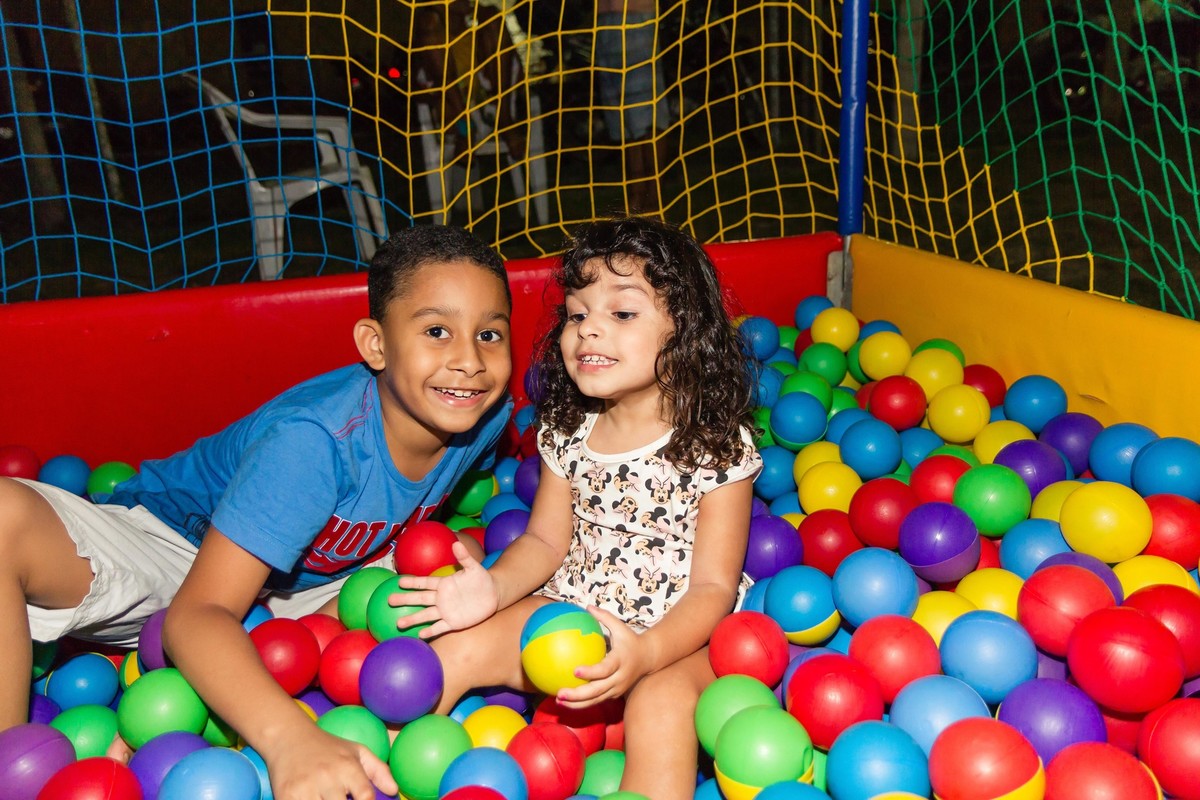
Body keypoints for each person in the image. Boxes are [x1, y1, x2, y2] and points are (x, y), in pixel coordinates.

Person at [0, 224, 515, 800]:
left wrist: (451, 547)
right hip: (175, 552)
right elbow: (195, 615)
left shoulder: (484, 414)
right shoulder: (313, 444)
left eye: (491, 334)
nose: (469, 360)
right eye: (438, 331)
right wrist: (289, 738)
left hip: (311, 590)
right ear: (375, 344)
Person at [397, 215, 762, 800]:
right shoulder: (568, 432)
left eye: (621, 313)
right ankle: (393, 770)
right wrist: (490, 589)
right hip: (572, 611)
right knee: (455, 649)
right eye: (576, 314)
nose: (589, 330)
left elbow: (713, 590)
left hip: (677, 635)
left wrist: (644, 654)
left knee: (661, 707)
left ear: (686, 331)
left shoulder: (716, 448)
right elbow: (544, 543)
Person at [595, 1, 673, 215]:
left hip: (636, 18)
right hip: (605, 22)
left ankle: (655, 197)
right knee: (623, 119)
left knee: (647, 113)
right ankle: (637, 195)